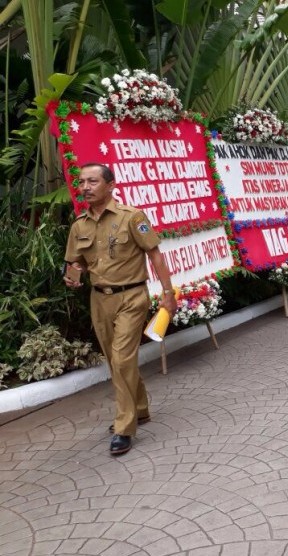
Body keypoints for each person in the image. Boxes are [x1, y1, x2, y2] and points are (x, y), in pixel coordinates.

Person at [64, 163, 177, 456]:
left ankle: (125, 427)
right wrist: (72, 273)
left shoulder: (132, 217)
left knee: (122, 358)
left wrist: (168, 295)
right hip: (99, 299)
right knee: (116, 361)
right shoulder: (79, 225)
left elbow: (155, 256)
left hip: (132, 296)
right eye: (82, 182)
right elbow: (76, 262)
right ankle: (139, 409)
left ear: (110, 185)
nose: (85, 187)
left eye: (93, 181)